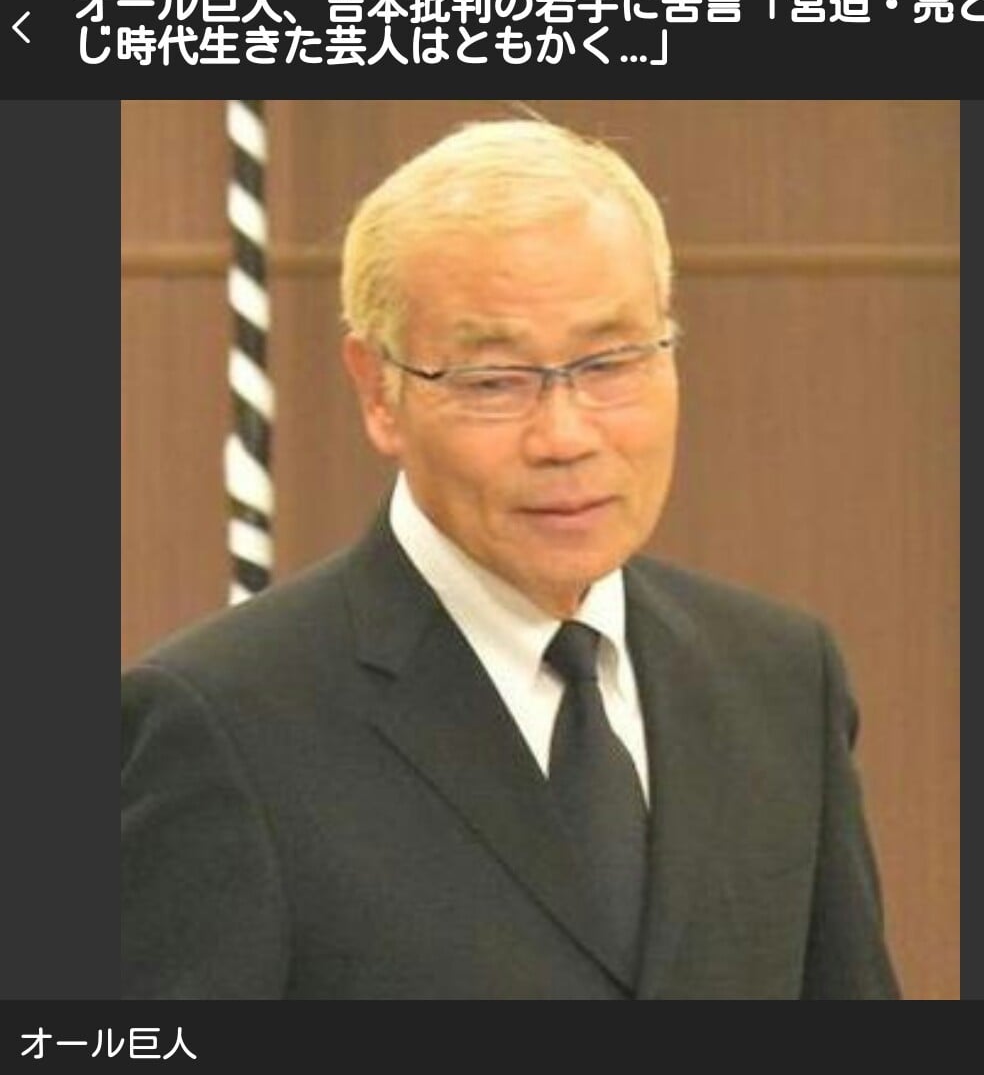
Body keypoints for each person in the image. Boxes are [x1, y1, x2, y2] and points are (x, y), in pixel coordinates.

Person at [121, 118, 900, 999]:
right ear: (378, 390)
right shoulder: (220, 723)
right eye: (494, 381)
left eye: (611, 363)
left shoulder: (778, 678)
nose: (565, 436)